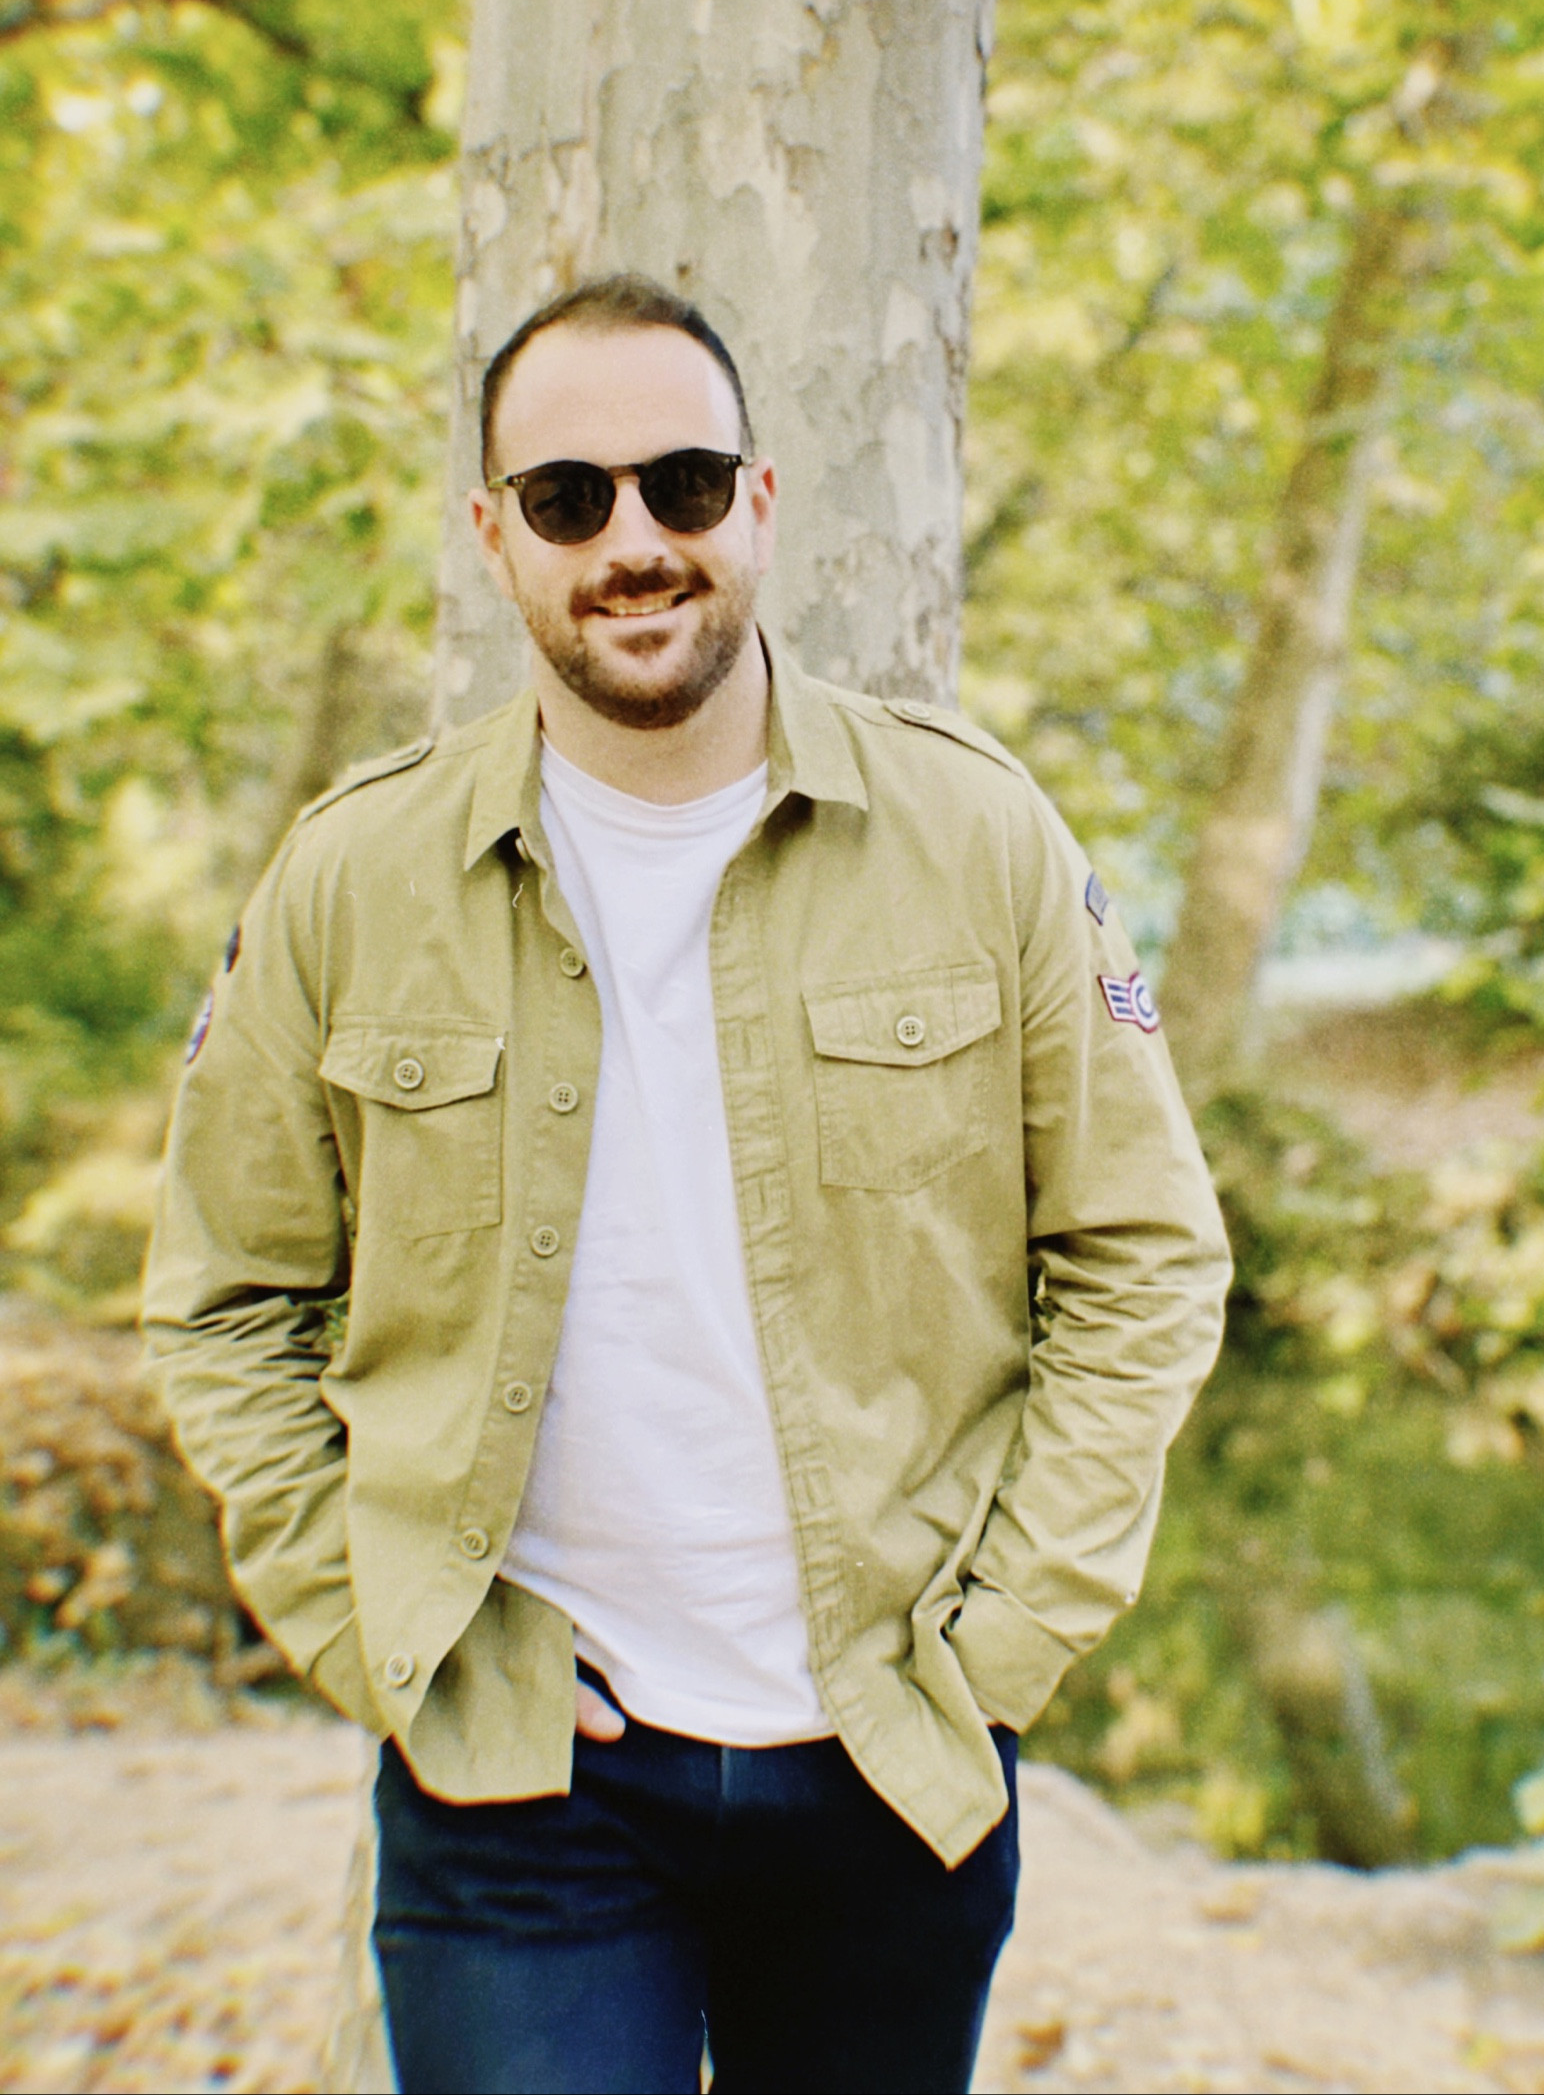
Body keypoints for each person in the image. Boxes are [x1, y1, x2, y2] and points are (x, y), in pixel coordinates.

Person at [141, 272, 1231, 2095]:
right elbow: (223, 1300)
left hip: (892, 1756)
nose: (633, 541)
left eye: (685, 484)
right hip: (519, 1792)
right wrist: (370, 1622)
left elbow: (1145, 1256)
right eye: (570, 499)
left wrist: (1009, 1634)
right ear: (494, 536)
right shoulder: (352, 880)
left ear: (762, 503)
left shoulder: (981, 837)